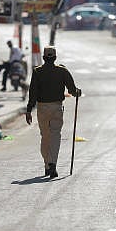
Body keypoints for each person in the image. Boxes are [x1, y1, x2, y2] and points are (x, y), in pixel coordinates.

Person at [25, 46, 81, 179]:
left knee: (45, 136)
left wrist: (28, 110)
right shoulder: (62, 71)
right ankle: (52, 163)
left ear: (44, 58)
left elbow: (33, 92)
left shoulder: (37, 72)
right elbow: (73, 90)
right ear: (55, 57)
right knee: (55, 136)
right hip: (56, 108)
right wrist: (77, 92)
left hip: (42, 108)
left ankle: (47, 164)